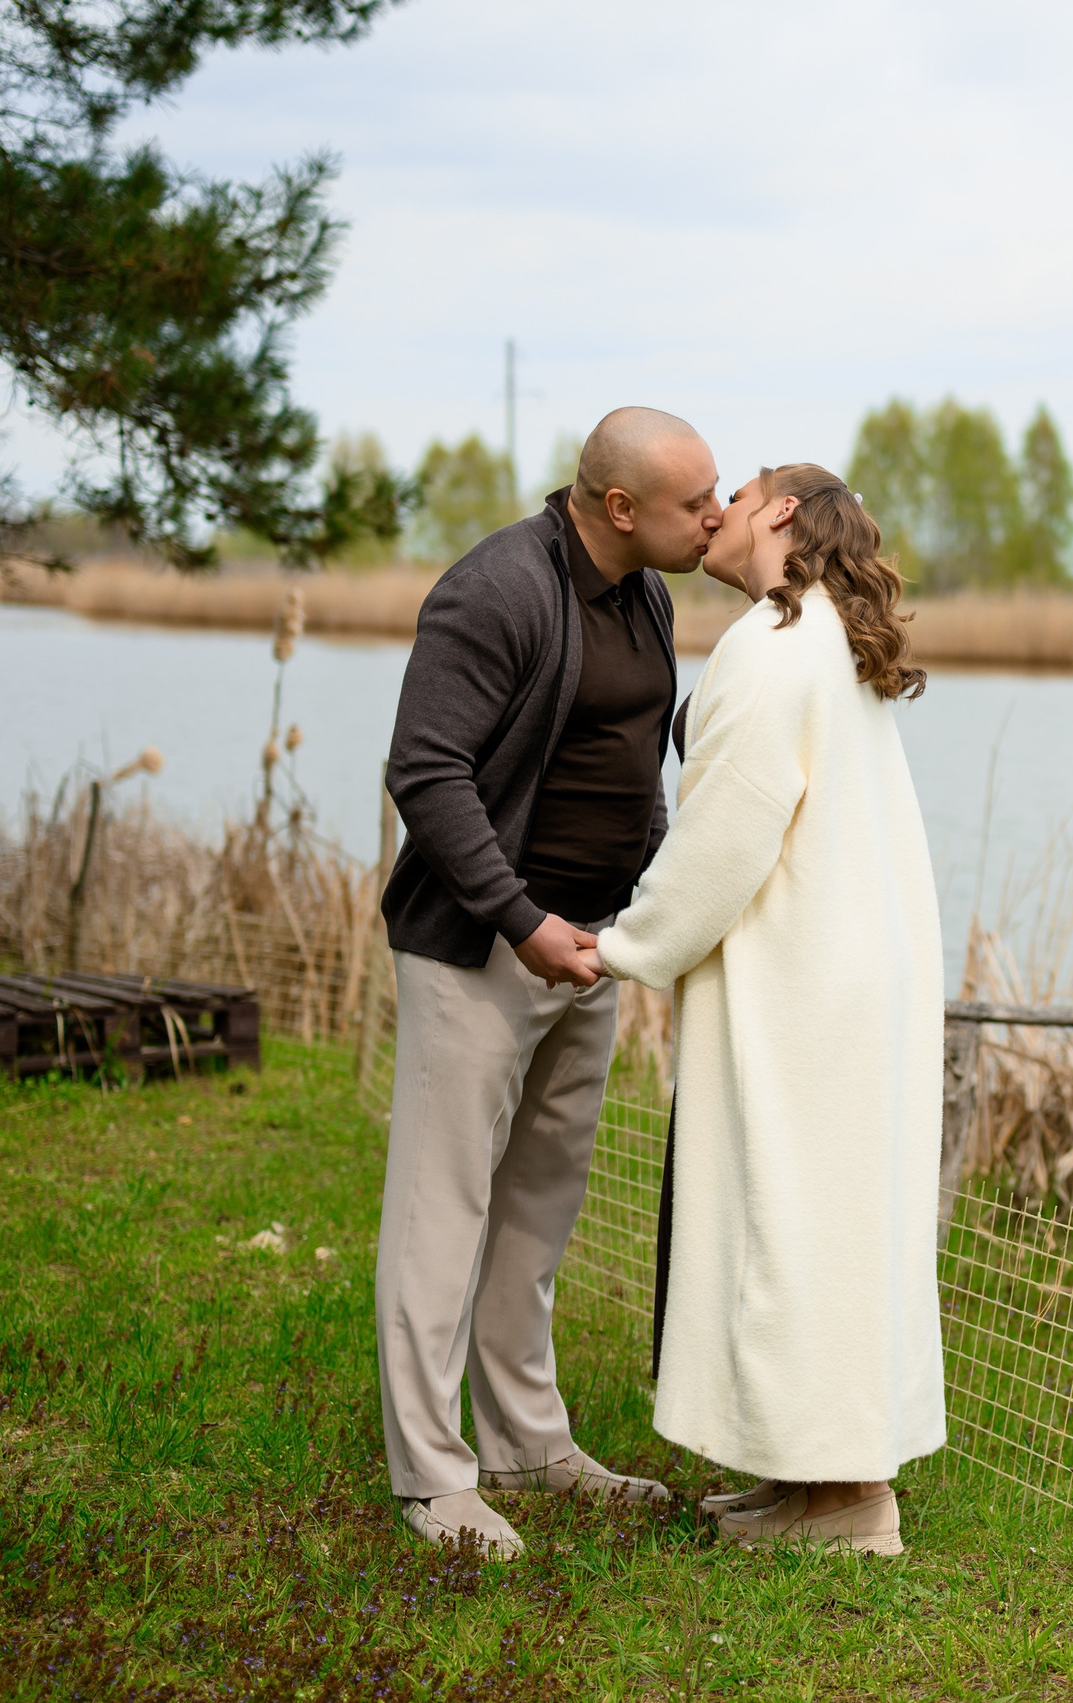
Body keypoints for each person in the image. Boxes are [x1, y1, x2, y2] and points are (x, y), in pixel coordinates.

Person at [374, 407, 720, 1558]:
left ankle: (527, 1447)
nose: (713, 518)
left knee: (537, 1212)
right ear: (619, 507)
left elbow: (632, 767)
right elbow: (425, 769)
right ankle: (433, 1479)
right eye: (692, 503)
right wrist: (521, 922)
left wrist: (643, 904)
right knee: (442, 1213)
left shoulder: (649, 595)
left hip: (594, 947)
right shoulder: (498, 591)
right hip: (484, 949)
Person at [585, 462, 944, 1557]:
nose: (717, 512)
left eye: (736, 493)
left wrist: (620, 946)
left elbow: (726, 835)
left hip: (802, 984)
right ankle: (809, 1486)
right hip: (853, 975)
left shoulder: (772, 645)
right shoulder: (827, 638)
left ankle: (846, 1506)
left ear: (782, 510)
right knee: (828, 1229)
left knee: (792, 1225)